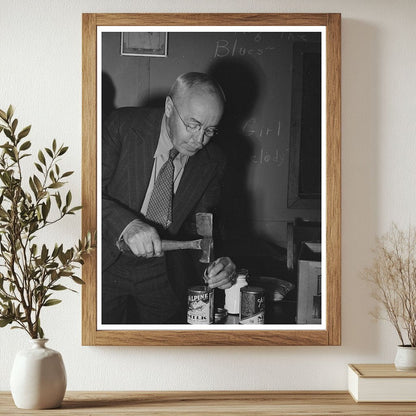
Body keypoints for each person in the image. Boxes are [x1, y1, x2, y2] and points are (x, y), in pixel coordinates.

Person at [101, 72, 236, 324]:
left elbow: (203, 226)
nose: (199, 141)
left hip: (164, 269)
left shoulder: (213, 160)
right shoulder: (123, 126)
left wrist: (220, 264)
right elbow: (86, 192)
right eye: (193, 125)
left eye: (210, 131)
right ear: (169, 107)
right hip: (106, 258)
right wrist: (126, 225)